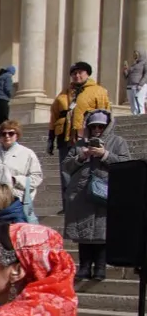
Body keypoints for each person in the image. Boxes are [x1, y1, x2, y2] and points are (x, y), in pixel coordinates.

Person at [63, 109, 131, 281]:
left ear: (107, 126)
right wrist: (81, 156)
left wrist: (104, 154)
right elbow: (66, 166)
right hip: (82, 195)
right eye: (94, 127)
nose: (97, 130)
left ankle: (100, 268)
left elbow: (126, 163)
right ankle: (84, 267)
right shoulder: (80, 144)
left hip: (106, 193)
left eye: (101, 127)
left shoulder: (118, 141)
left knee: (102, 232)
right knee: (83, 233)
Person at [50, 60, 111, 204]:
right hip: (64, 138)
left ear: (87, 74)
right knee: (65, 170)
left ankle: (85, 199)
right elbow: (54, 115)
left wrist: (102, 135)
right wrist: (50, 137)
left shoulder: (98, 91)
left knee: (84, 169)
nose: (76, 76)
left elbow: (105, 115)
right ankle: (67, 203)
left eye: (79, 72)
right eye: (73, 73)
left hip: (86, 137)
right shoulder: (64, 93)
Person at [0, 121, 44, 222]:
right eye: (3, 134)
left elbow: (37, 177)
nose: (7, 136)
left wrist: (17, 180)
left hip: (15, 204)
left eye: (11, 133)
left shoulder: (27, 154)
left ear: (17, 135)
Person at [126, 50, 147, 116]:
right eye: (134, 54)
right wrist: (125, 70)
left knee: (138, 102)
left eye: (136, 54)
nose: (135, 56)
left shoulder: (144, 63)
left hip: (139, 86)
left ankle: (140, 118)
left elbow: (146, 74)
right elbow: (127, 76)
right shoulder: (134, 64)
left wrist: (141, 84)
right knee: (132, 103)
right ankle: (134, 116)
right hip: (130, 86)